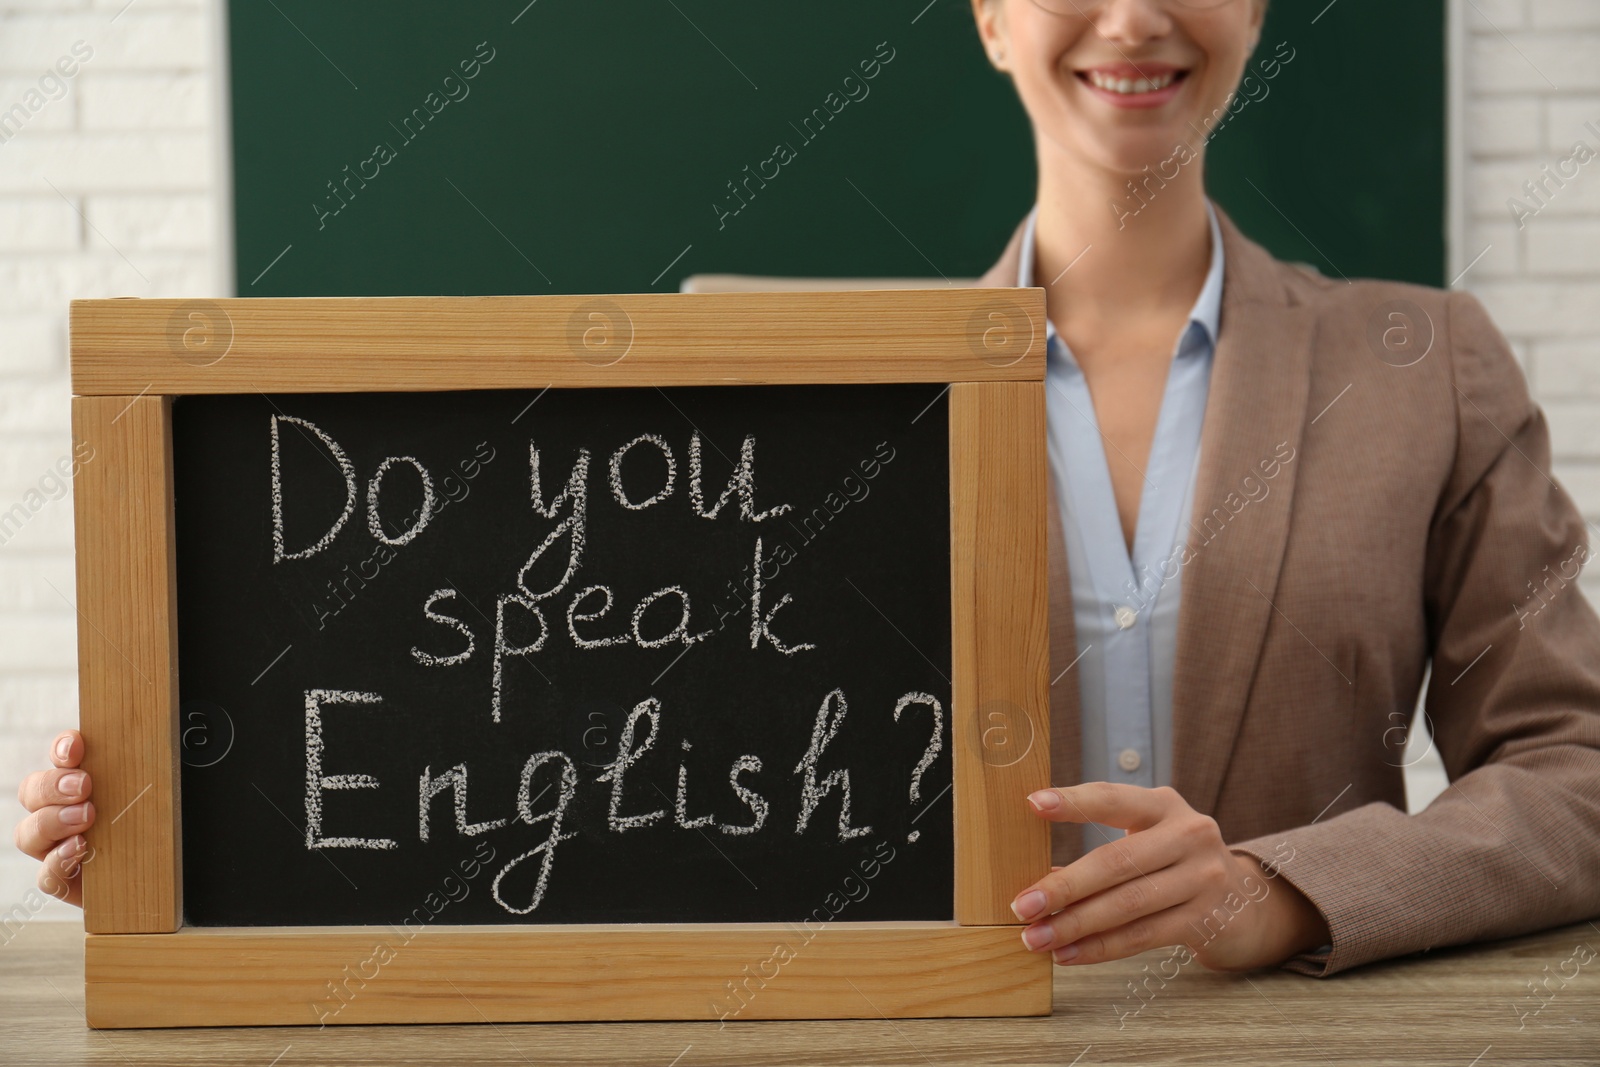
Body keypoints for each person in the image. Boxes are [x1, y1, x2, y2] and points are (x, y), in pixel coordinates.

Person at [15, 0, 1600, 976]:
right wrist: (209, 835)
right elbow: (577, 774)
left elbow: (1576, 771)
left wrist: (1283, 892)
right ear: (987, 13)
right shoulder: (783, 404)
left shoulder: (1423, 363)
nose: (1132, 15)